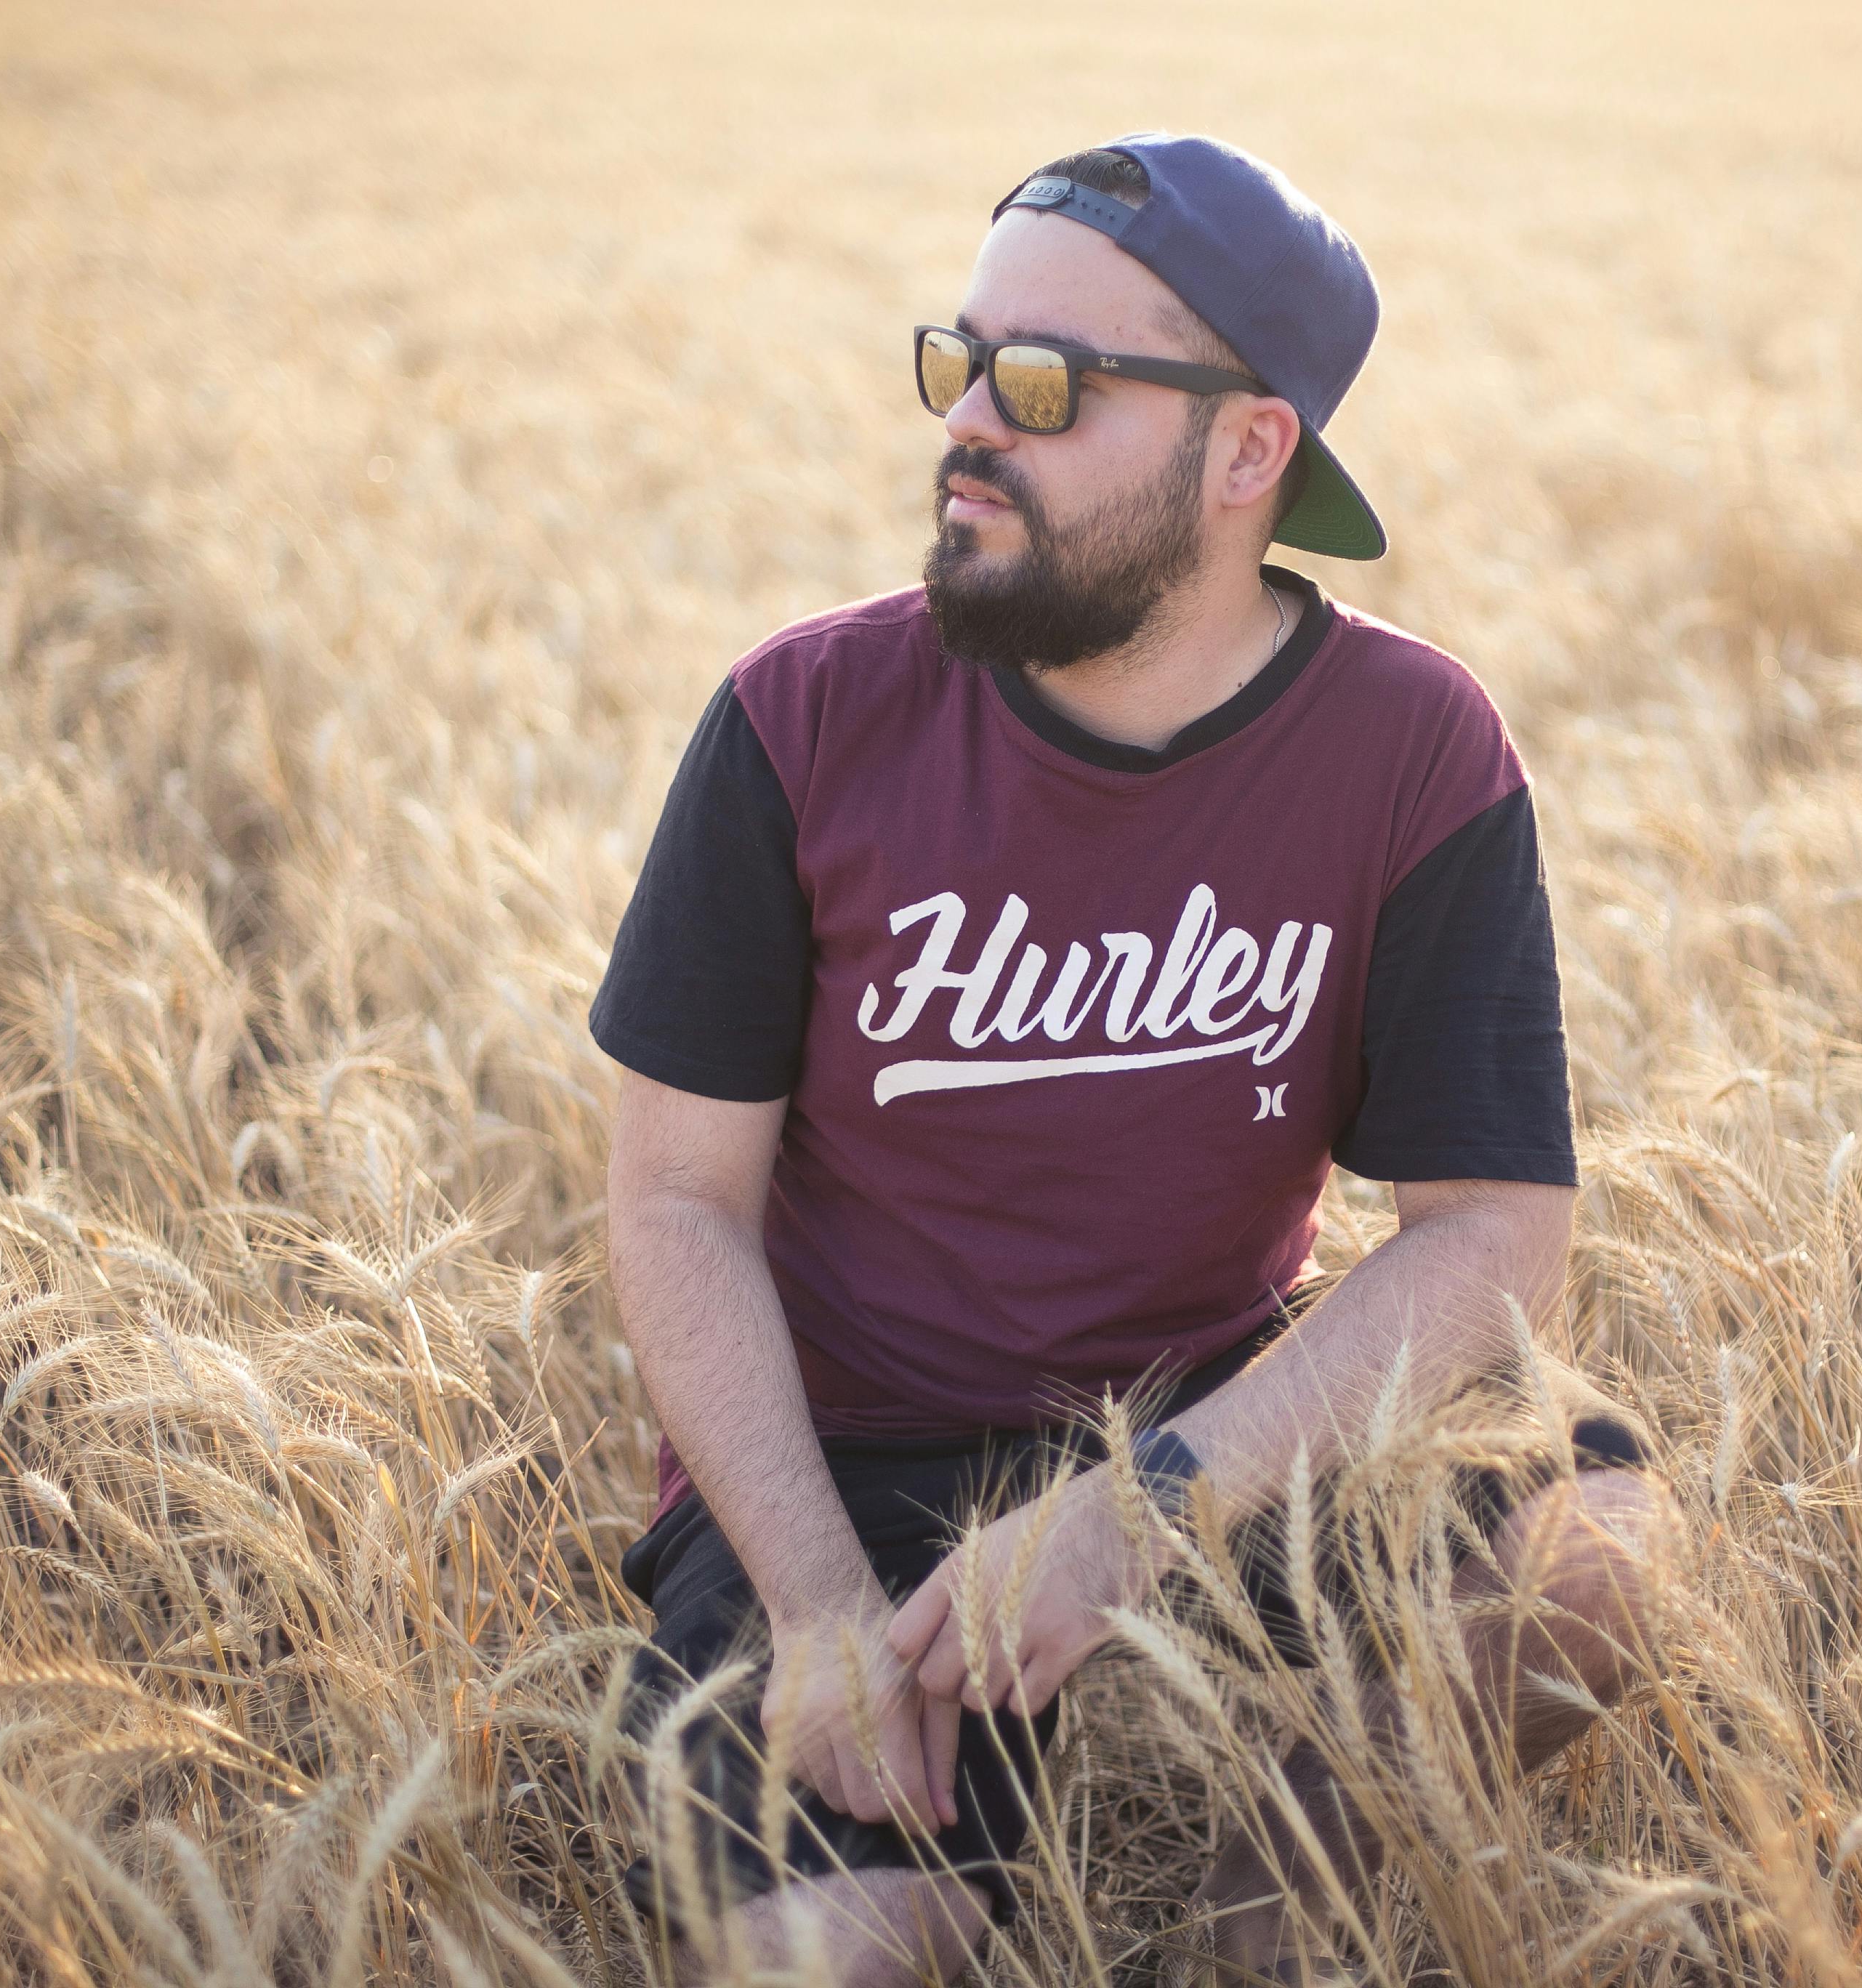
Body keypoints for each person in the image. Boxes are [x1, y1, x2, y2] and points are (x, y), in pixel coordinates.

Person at [591, 132, 1677, 1987]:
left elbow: (1494, 1225)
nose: (969, 427)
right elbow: (679, 1205)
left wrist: (1152, 1506)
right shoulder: (805, 718)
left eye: (1047, 386)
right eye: (962, 361)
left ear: (1250, 450)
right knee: (842, 1965)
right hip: (850, 1464)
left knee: (1606, 1558)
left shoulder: (1415, 752)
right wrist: (823, 1602)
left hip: (1203, 1425)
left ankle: (1257, 1937)